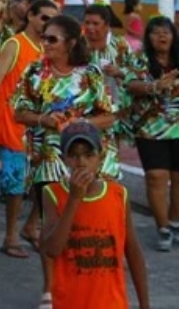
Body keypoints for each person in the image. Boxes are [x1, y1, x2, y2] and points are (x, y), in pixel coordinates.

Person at [12, 14, 117, 308]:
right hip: (49, 157)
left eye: (52, 38)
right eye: (43, 37)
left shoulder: (90, 73)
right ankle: (49, 288)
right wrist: (44, 118)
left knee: (86, 222)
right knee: (52, 225)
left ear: (70, 43)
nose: (45, 43)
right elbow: (18, 112)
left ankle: (89, 280)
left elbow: (108, 115)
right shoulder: (34, 71)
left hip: (87, 159)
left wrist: (80, 123)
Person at [41, 120, 150, 309]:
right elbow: (52, 250)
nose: (81, 162)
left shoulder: (118, 194)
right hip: (70, 302)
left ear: (100, 157)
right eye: (73, 156)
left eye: (88, 155)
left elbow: (132, 251)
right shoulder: (53, 194)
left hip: (111, 302)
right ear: (64, 158)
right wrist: (74, 199)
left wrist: (144, 304)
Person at [0, 0, 58, 254]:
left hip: (39, 121)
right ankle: (10, 237)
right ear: (31, 17)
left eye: (52, 19)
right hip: (13, 121)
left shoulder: (48, 47)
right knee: (15, 185)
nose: (48, 23)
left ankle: (31, 226)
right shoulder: (14, 44)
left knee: (47, 178)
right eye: (44, 18)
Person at [129, 15, 179, 251]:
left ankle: (176, 222)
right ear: (148, 37)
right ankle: (163, 228)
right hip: (150, 128)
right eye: (156, 31)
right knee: (157, 176)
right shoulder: (140, 60)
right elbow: (130, 85)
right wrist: (155, 86)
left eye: (166, 31)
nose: (162, 36)